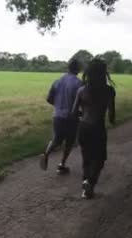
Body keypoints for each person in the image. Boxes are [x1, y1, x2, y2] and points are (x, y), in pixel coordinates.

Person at [71, 59, 116, 199]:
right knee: (100, 159)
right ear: (104, 73)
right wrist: (112, 120)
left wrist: (83, 114)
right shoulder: (109, 91)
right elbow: (111, 114)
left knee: (86, 157)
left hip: (83, 127)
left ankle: (86, 186)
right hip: (98, 128)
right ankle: (90, 182)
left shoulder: (81, 90)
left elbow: (73, 112)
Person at [39, 58, 83, 174]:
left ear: (68, 68)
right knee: (69, 142)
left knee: (56, 139)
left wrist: (59, 106)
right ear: (78, 69)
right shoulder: (79, 83)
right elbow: (82, 102)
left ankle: (46, 154)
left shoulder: (57, 81)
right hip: (71, 118)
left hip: (57, 116)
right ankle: (61, 165)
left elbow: (49, 99)